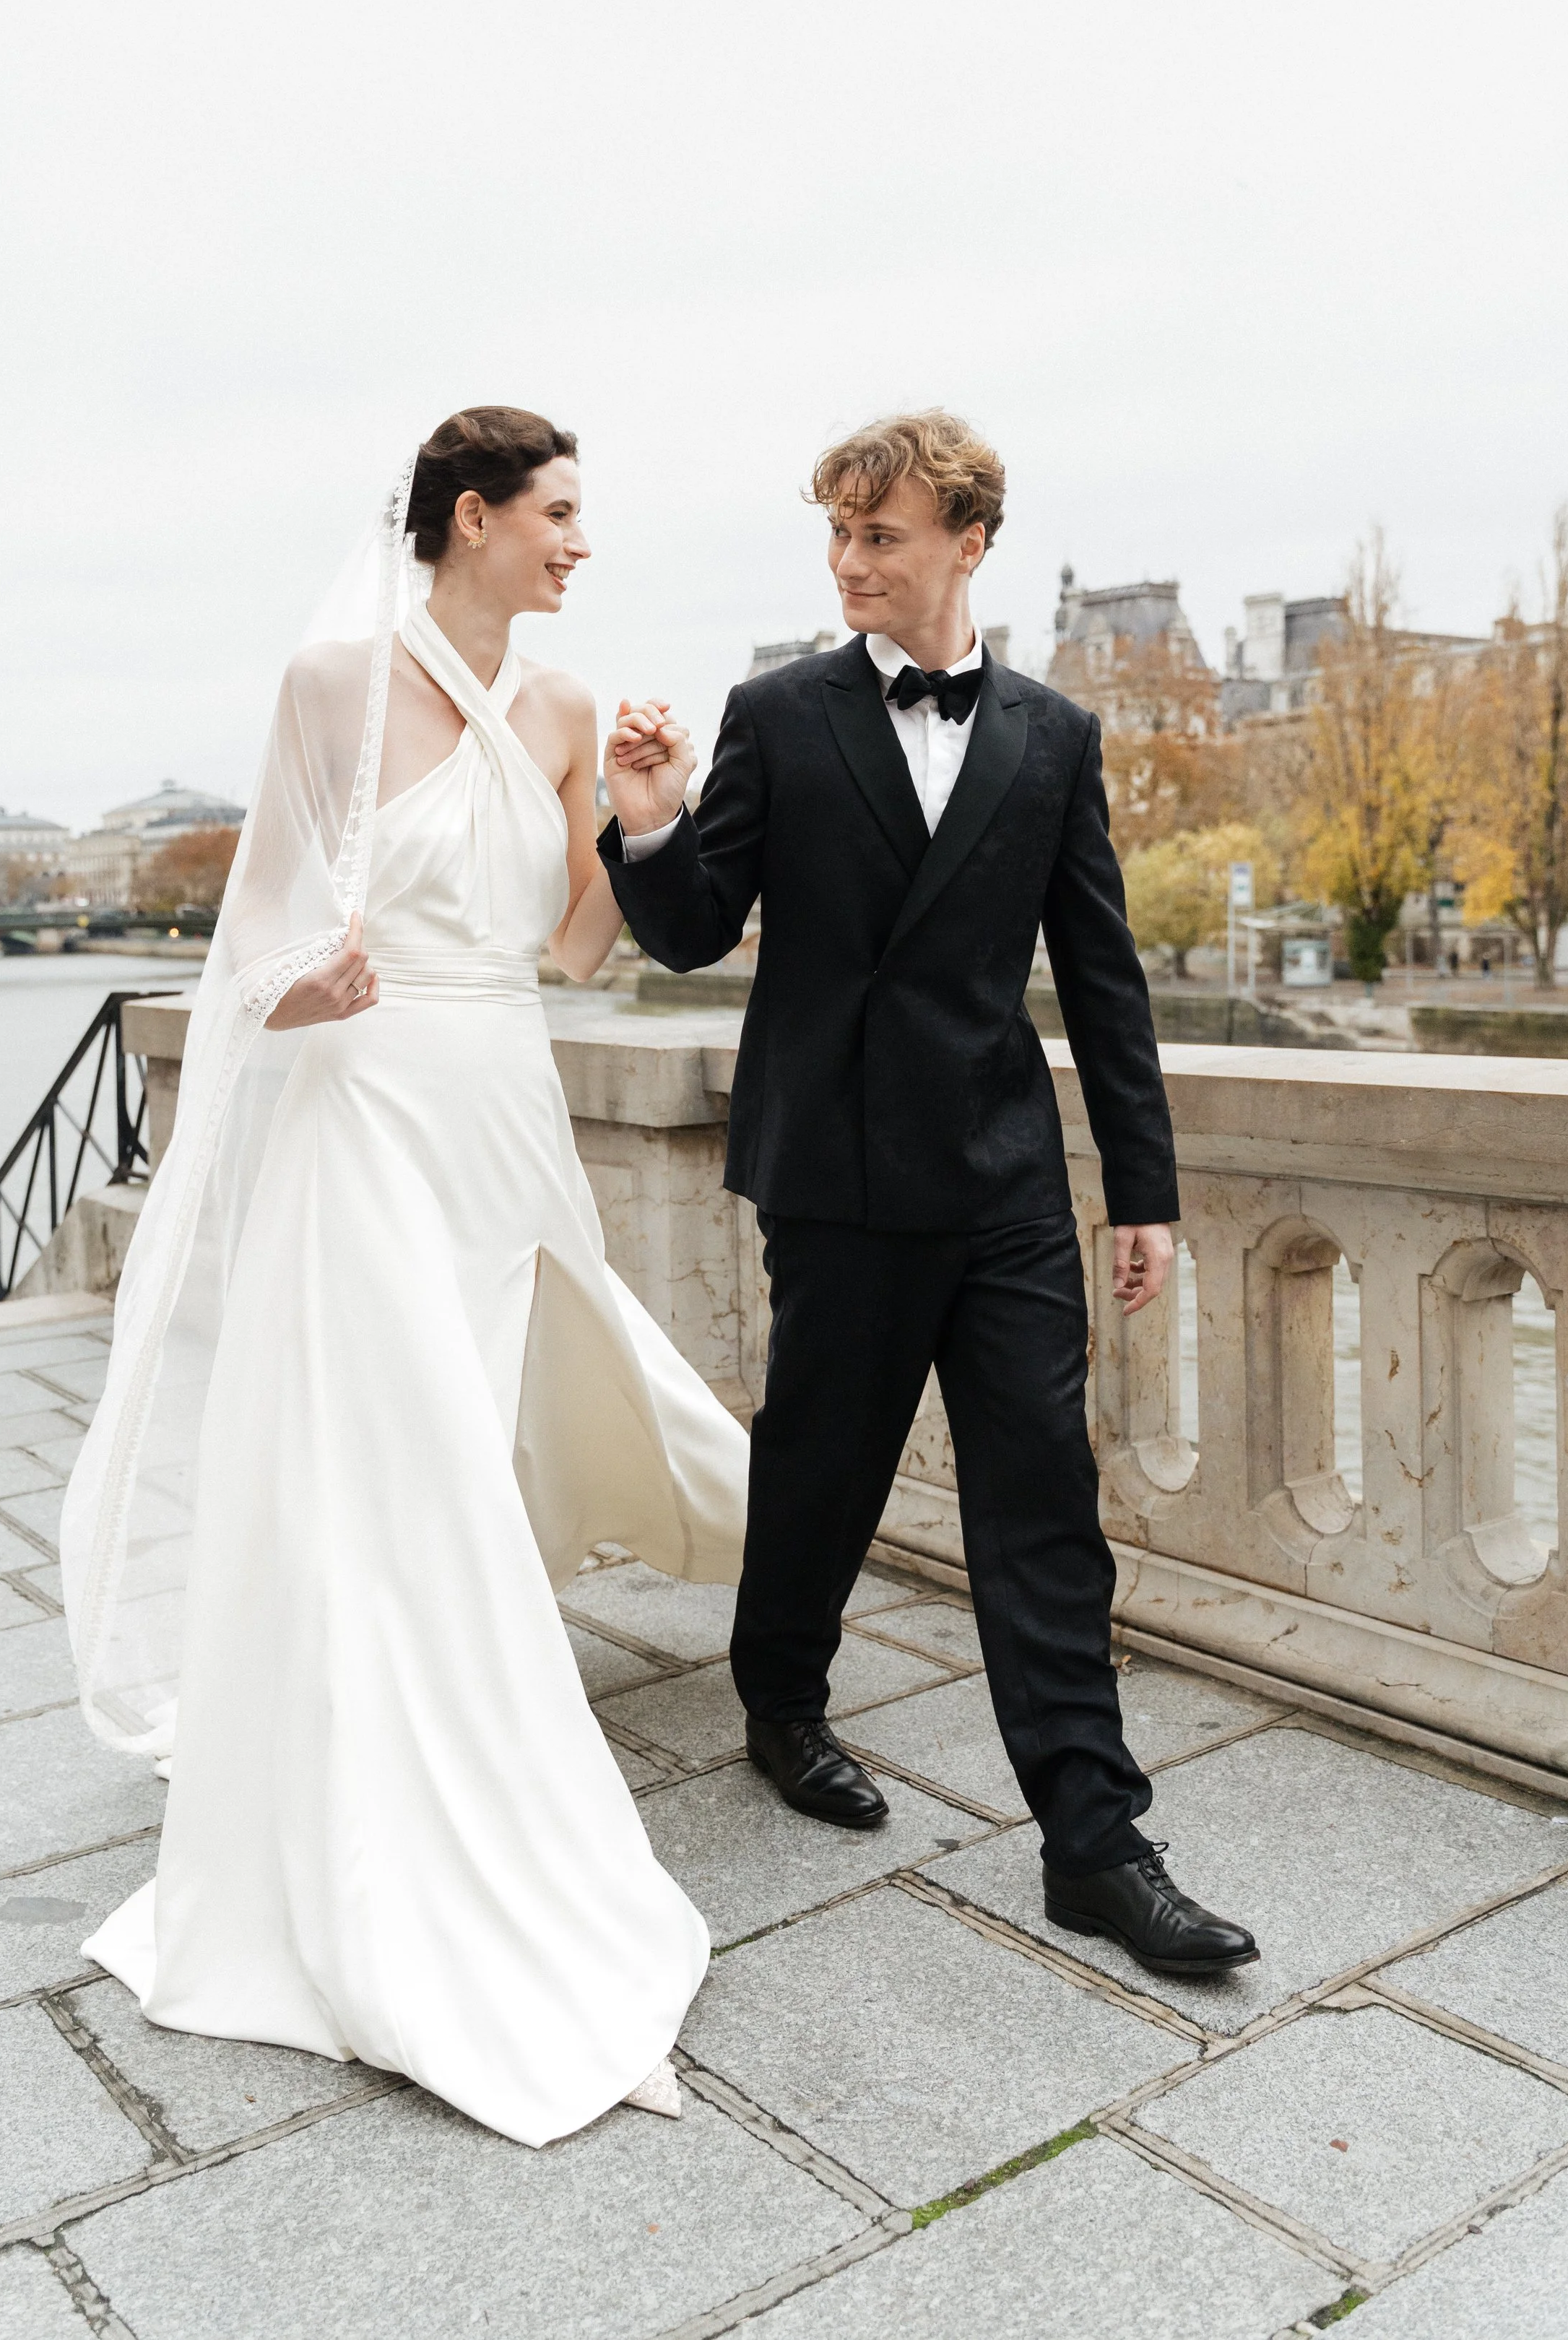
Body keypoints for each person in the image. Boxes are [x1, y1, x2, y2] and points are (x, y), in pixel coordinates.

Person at [60, 407, 750, 2145]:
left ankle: (443, 1746)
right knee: (398, 1460)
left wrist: (648, 816)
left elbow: (577, 947)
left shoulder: (574, 711)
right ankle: (403, 1815)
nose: (583, 543)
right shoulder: (329, 685)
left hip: (501, 1108)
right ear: (472, 517)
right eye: (561, 512)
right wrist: (311, 988)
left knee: (478, 1443)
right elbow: (260, 950)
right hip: (363, 1122)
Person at [599, 410, 1257, 1977]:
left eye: (879, 536)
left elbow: (1100, 979)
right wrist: (646, 817)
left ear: (967, 541)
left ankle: (1093, 1842)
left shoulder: (1050, 736)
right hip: (832, 1177)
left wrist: (1140, 1192)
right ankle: (781, 1703)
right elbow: (692, 932)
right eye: (835, 536)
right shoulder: (776, 713)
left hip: (1003, 1182)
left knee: (1041, 1507)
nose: (849, 563)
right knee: (820, 1468)